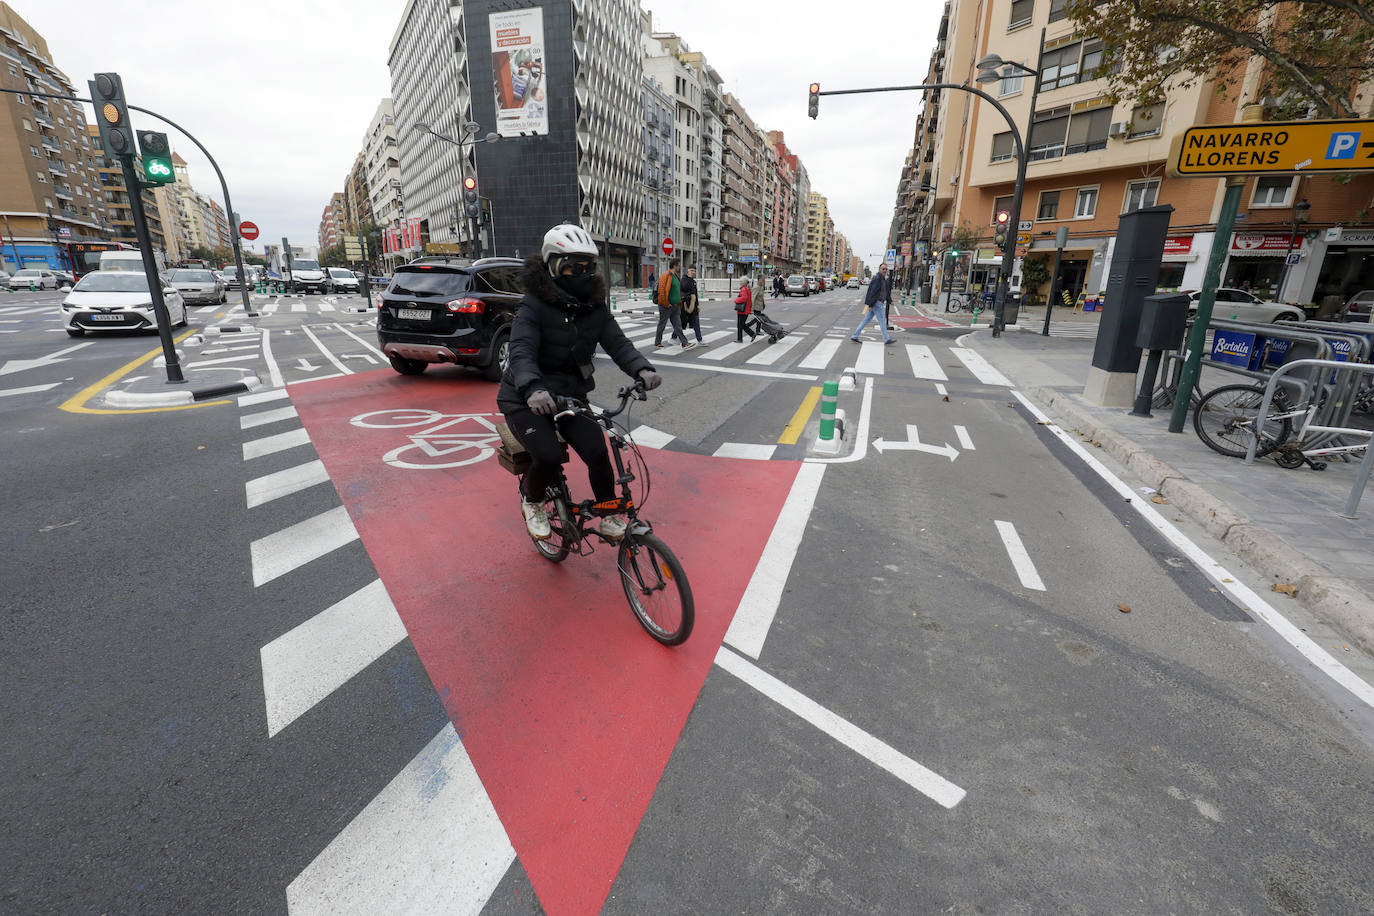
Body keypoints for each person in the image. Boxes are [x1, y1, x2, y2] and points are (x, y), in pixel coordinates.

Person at [498, 224, 663, 542]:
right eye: (572, 265)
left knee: (597, 452)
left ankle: (609, 512)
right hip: (525, 397)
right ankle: (532, 501)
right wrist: (533, 387)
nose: (580, 272)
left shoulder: (594, 305)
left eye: (587, 266)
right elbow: (521, 352)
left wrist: (642, 370)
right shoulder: (534, 305)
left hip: (570, 396)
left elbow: (617, 343)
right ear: (552, 264)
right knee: (546, 456)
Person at [653, 258, 692, 350]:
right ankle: (657, 342)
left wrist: (679, 302)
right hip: (666, 306)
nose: (679, 267)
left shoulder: (676, 276)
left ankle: (684, 343)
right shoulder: (665, 276)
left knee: (678, 325)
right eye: (679, 265)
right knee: (662, 324)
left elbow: (676, 290)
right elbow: (661, 291)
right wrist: (666, 303)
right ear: (674, 266)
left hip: (676, 306)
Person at [852, 263, 895, 344]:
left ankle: (855, 336)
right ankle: (886, 339)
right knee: (882, 321)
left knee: (866, 320)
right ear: (879, 269)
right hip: (877, 303)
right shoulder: (877, 279)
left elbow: (885, 292)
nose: (885, 270)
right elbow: (873, 292)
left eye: (886, 269)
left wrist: (890, 301)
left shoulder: (883, 279)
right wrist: (871, 305)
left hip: (876, 303)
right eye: (883, 269)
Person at [680, 265, 705, 346]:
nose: (693, 272)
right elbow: (684, 287)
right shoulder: (684, 279)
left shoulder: (693, 281)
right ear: (687, 270)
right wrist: (690, 278)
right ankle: (673, 338)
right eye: (691, 270)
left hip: (693, 305)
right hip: (685, 305)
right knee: (682, 323)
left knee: (696, 322)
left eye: (694, 271)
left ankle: (700, 340)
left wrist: (697, 305)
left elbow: (695, 294)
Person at [734, 277, 758, 342]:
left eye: (740, 281)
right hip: (745, 309)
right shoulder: (747, 289)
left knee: (740, 325)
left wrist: (736, 300)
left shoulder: (744, 289)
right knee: (742, 325)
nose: (739, 282)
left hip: (742, 310)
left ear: (743, 282)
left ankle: (740, 339)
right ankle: (751, 334)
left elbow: (744, 298)